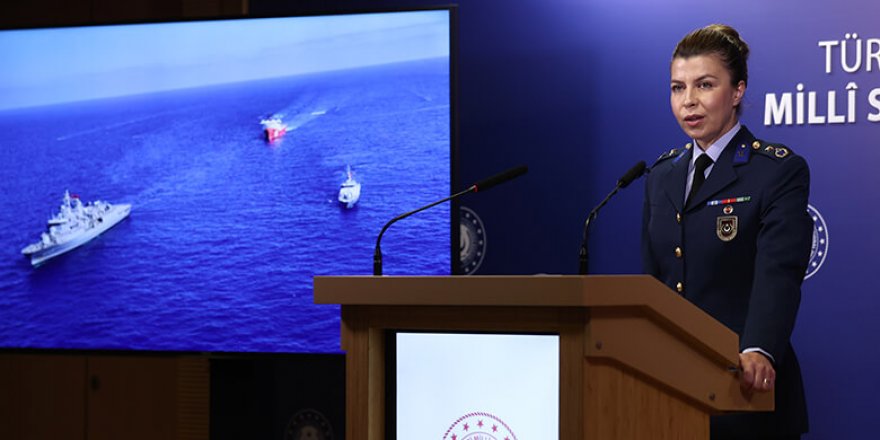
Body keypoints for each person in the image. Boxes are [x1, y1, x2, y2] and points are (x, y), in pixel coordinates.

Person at [641, 24, 812, 440]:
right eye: (678, 88)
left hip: (743, 389)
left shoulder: (776, 171)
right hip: (671, 390)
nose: (689, 102)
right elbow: (656, 281)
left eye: (704, 85)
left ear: (737, 92)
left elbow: (779, 272)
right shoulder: (661, 175)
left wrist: (759, 348)